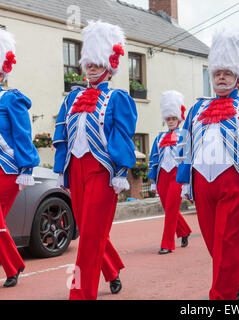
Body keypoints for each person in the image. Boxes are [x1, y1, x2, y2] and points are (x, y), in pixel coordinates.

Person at [176, 29, 239, 300]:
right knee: (213, 242)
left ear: (238, 78)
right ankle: (236, 274)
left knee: (227, 241)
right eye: (217, 73)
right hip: (201, 183)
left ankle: (221, 297)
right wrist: (185, 180)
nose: (221, 77)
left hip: (236, 183)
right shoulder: (198, 109)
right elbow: (185, 145)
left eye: (227, 73)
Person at [53, 21, 137, 300]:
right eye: (88, 63)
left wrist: (121, 172)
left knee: (89, 237)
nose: (90, 68)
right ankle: (111, 271)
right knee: (88, 230)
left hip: (101, 171)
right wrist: (59, 171)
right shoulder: (72, 98)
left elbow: (123, 137)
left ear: (109, 66)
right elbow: (62, 134)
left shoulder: (117, 98)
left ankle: (81, 294)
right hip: (75, 168)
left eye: (96, 63)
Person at [0, 29, 40, 288]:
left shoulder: (10, 98)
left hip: (7, 169)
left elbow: (23, 134)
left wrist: (27, 166)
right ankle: (14, 264)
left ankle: (13, 265)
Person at [148, 90, 191, 254]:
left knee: (171, 209)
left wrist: (188, 180)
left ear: (179, 118)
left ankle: (167, 244)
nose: (171, 121)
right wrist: (153, 181)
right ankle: (184, 230)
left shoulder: (185, 136)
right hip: (162, 177)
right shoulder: (159, 138)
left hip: (177, 176)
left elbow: (188, 158)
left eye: (174, 118)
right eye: (169, 119)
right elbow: (153, 159)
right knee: (169, 208)